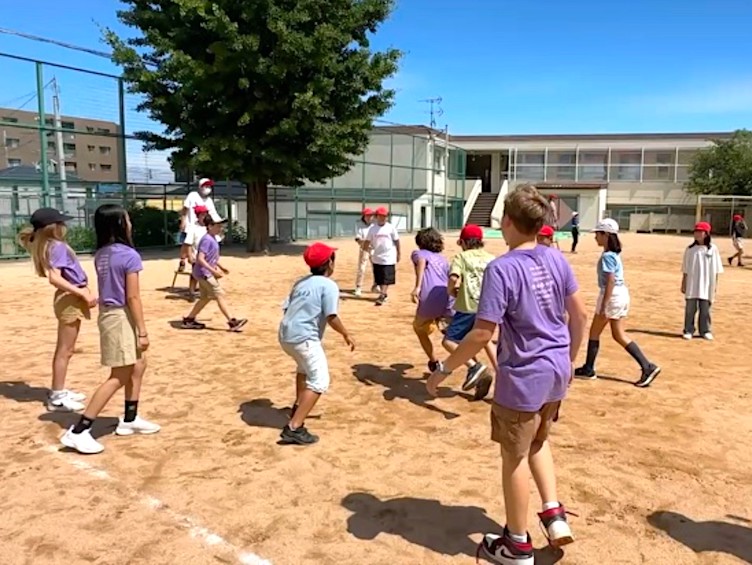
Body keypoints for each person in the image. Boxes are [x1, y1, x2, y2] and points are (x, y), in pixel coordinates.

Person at [426, 184, 589, 565]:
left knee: (513, 455)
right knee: (538, 440)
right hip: (555, 371)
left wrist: (443, 370)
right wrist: (570, 361)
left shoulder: (503, 268)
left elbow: (482, 332)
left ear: (509, 222)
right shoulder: (555, 258)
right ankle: (553, 513)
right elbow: (578, 315)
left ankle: (516, 544)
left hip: (523, 375)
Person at [60, 204, 160, 454]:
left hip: (109, 314)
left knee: (139, 364)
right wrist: (143, 331)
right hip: (119, 315)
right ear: (119, 224)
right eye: (127, 219)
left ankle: (129, 418)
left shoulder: (102, 253)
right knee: (120, 374)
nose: (130, 223)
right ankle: (80, 430)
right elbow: (133, 297)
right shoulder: (129, 255)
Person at [17, 208, 97, 412]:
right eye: (61, 223)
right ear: (53, 227)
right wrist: (82, 294)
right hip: (69, 298)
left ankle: (59, 390)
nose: (64, 226)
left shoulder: (47, 245)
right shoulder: (57, 246)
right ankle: (57, 395)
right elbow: (55, 277)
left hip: (68, 298)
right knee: (65, 350)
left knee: (65, 349)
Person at [278, 242, 355, 445]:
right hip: (305, 338)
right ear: (329, 263)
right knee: (320, 380)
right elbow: (331, 316)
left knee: (303, 369)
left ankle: (298, 405)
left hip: (286, 335)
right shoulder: (328, 285)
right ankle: (294, 427)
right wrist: (346, 334)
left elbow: (287, 308)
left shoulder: (301, 282)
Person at [574, 218, 661, 388]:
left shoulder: (607, 256)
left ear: (605, 235)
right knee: (618, 334)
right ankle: (646, 366)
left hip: (612, 295)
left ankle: (590, 369)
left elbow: (610, 281)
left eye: (598, 234)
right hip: (620, 294)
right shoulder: (614, 254)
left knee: (595, 333)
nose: (595, 238)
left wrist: (604, 305)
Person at [442, 224, 497, 398]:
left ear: (463, 242)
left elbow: (453, 278)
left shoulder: (462, 257)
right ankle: (503, 374)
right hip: (489, 307)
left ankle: (475, 367)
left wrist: (450, 291)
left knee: (449, 341)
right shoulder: (491, 258)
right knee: (486, 340)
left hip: (468, 306)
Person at [181, 217, 247, 331]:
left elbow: (210, 257)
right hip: (204, 273)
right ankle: (232, 322)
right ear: (209, 226)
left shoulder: (212, 238)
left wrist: (221, 266)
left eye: (220, 226)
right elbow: (200, 259)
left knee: (205, 298)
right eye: (217, 226)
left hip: (203, 273)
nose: (220, 228)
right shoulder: (207, 240)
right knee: (219, 295)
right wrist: (214, 271)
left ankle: (189, 320)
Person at [410, 228, 453, 373]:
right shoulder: (443, 259)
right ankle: (473, 364)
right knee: (454, 337)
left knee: (419, 328)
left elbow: (421, 261)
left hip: (429, 297)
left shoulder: (418, 253)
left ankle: (434, 361)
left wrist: (417, 286)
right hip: (447, 297)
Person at [682, 221, 723, 340]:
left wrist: (715, 284)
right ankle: (688, 329)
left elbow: (716, 269)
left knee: (706, 308)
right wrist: (684, 282)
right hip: (692, 284)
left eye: (700, 231)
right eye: (696, 231)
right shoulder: (690, 249)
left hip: (707, 284)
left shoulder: (712, 249)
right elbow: (685, 268)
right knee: (690, 309)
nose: (697, 234)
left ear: (706, 234)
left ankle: (705, 330)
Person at [178, 178, 220, 272]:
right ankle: (182, 261)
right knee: (186, 243)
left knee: (200, 244)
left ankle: (202, 262)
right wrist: (183, 220)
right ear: (200, 187)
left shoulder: (209, 200)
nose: (208, 188)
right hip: (191, 224)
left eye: (209, 186)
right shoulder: (193, 195)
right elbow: (185, 209)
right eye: (206, 186)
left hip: (202, 226)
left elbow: (213, 213)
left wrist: (218, 224)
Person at [364, 207, 400, 306]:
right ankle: (384, 294)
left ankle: (382, 295)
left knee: (386, 277)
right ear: (376, 217)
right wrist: (366, 250)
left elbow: (397, 241)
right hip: (377, 257)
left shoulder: (391, 228)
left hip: (389, 256)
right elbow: (367, 241)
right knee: (379, 277)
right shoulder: (372, 229)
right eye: (381, 216)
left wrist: (399, 253)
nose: (383, 218)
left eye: (385, 216)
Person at [183, 204, 210, 301]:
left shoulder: (209, 227)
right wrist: (190, 256)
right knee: (195, 274)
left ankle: (208, 291)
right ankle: (192, 292)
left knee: (209, 274)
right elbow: (188, 243)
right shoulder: (193, 228)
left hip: (208, 256)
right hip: (197, 256)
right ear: (198, 216)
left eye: (206, 214)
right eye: (202, 215)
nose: (204, 217)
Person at [354, 208, 374, 296]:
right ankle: (358, 287)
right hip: (364, 248)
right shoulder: (359, 225)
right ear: (364, 216)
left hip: (374, 249)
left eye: (371, 215)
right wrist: (362, 243)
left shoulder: (375, 225)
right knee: (362, 268)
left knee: (377, 268)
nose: (369, 217)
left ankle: (376, 285)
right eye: (368, 215)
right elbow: (357, 238)